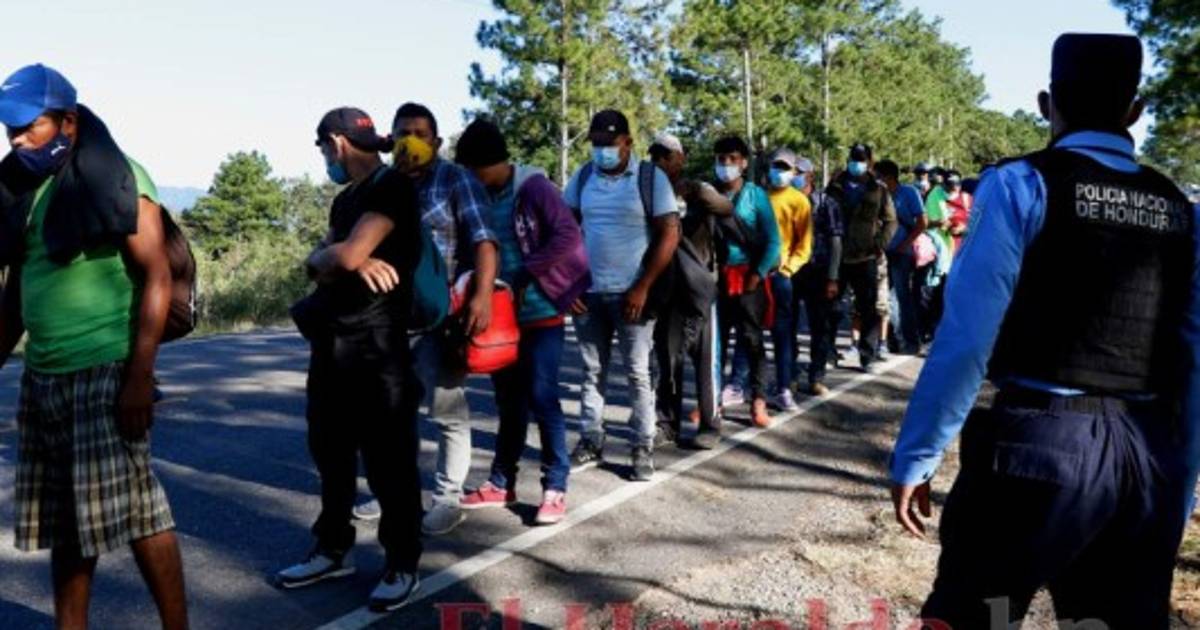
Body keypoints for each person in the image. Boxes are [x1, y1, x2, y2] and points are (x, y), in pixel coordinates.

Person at [890, 33, 1200, 628]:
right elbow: (1193, 362)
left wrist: (918, 454)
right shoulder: (1179, 209)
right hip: (1145, 461)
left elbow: (968, 336)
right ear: (1135, 111)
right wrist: (1178, 485)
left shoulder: (1021, 183)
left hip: (1036, 449)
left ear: (1045, 103)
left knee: (972, 616)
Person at [0, 64, 188, 629]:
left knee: (139, 513)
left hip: (106, 369)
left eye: (29, 127)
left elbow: (157, 275)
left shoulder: (118, 177)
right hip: (45, 375)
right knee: (67, 521)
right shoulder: (25, 190)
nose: (16, 140)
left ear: (68, 122)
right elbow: (16, 295)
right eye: (9, 129)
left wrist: (139, 377)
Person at [277, 108, 424, 612]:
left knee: (389, 463)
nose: (325, 158)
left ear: (337, 143)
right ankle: (333, 549)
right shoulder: (346, 199)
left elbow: (338, 258)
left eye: (323, 148)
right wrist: (340, 257)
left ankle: (402, 562)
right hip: (333, 345)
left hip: (377, 349)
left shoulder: (391, 187)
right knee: (330, 454)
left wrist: (342, 256)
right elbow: (323, 263)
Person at [453, 119, 590, 525]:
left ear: (484, 164)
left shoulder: (533, 187)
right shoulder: (478, 197)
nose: (468, 178)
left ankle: (555, 487)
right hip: (500, 321)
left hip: (540, 314)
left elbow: (567, 236)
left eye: (470, 170)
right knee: (509, 403)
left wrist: (526, 273)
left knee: (542, 398)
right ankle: (501, 482)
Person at [371, 102, 499, 536]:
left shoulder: (456, 179)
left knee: (446, 410)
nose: (411, 141)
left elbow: (484, 241)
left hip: (440, 316)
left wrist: (482, 297)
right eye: (402, 133)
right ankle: (392, 491)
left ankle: (447, 498)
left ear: (437, 141)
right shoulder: (382, 184)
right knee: (389, 411)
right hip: (387, 317)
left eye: (420, 133)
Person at [565, 110, 680, 481]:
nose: (601, 150)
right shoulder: (583, 176)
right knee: (592, 371)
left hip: (633, 296)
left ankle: (642, 445)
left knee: (637, 373)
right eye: (596, 143)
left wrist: (643, 286)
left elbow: (669, 234)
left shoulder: (650, 178)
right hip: (589, 294)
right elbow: (564, 230)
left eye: (609, 143)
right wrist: (568, 284)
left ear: (628, 142)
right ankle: (591, 439)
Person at [648, 132, 733, 450]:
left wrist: (696, 191)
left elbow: (725, 207)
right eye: (655, 156)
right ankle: (667, 423)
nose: (660, 162)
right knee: (668, 359)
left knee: (706, 361)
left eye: (666, 156)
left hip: (700, 288)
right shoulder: (646, 191)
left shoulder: (698, 189)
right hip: (666, 289)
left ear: (680, 159)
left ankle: (711, 424)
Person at [712, 136, 781, 428]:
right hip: (716, 278)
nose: (726, 165)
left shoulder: (755, 196)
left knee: (752, 341)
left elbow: (773, 242)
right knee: (713, 343)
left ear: (743, 162)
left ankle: (758, 402)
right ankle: (711, 403)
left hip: (747, 278)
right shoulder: (709, 194)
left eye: (732, 159)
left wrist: (757, 273)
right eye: (720, 159)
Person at [824, 143, 897, 373]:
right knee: (831, 308)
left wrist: (880, 244)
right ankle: (827, 352)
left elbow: (891, 221)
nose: (857, 163)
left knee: (868, 309)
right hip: (837, 256)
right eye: (854, 158)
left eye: (861, 159)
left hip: (865, 257)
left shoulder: (878, 189)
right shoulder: (835, 185)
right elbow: (823, 215)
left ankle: (868, 355)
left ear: (869, 162)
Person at [764, 148, 812, 412]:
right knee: (749, 334)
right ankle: (743, 385)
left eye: (784, 168)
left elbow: (804, 246)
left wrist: (787, 270)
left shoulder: (799, 201)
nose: (779, 172)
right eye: (776, 166)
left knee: (782, 335)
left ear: (794, 172)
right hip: (755, 274)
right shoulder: (759, 196)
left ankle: (784, 387)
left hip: (781, 277)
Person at [876, 159, 927, 354]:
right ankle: (889, 341)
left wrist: (905, 245)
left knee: (901, 297)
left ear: (889, 177)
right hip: (881, 252)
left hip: (901, 253)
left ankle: (910, 341)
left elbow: (922, 222)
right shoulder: (877, 193)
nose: (877, 180)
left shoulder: (909, 193)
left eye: (879, 176)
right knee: (882, 298)